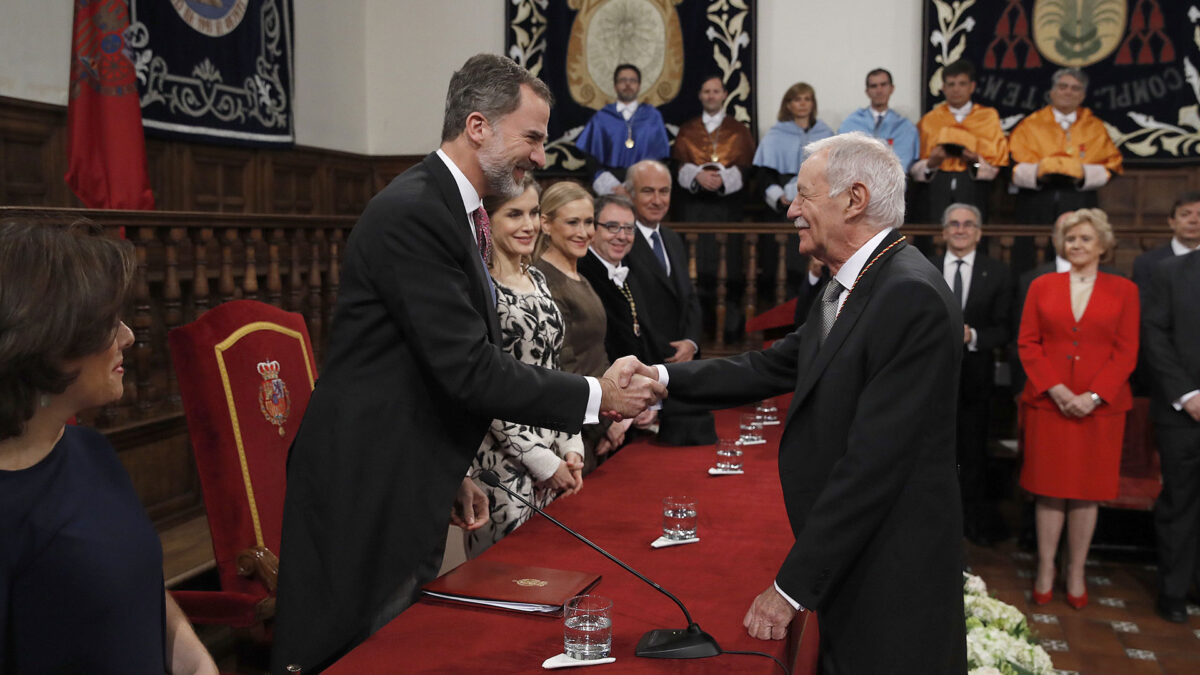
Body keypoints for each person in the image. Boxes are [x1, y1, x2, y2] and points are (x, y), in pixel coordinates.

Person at [271, 54, 664, 673]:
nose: (540, 156)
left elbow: (423, 363)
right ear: (477, 126)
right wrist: (599, 396)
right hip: (366, 480)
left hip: (408, 467)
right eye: (532, 137)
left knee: (398, 645)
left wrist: (446, 466)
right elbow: (468, 368)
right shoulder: (416, 211)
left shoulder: (452, 209)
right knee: (354, 652)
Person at [648, 132, 967, 672]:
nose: (792, 209)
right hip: (862, 563)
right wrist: (659, 380)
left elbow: (875, 466)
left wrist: (790, 590)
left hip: (892, 578)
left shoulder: (908, 295)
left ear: (854, 199)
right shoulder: (856, 282)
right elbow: (770, 365)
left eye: (804, 195)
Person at [0, 217, 217, 675]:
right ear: (46, 339)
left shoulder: (90, 451)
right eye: (105, 324)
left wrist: (196, 664)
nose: (128, 337)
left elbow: (136, 591)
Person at [1018, 208, 1139, 610]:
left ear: (1102, 245)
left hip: (1099, 410)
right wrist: (1057, 390)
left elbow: (1126, 352)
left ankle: (1076, 570)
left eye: (1086, 239)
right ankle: (1046, 568)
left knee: (1087, 493)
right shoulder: (1042, 285)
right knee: (1049, 491)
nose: (1077, 245)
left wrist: (1092, 396)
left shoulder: (1125, 290)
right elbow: (1028, 343)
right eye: (1071, 239)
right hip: (1048, 405)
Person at [465, 177, 585, 558]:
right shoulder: (481, 291)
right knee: (510, 576)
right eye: (514, 214)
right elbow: (487, 386)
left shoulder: (536, 278)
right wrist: (541, 461)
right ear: (487, 219)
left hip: (551, 452)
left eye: (534, 213)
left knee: (552, 569)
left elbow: (555, 368)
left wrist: (571, 444)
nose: (529, 225)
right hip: (502, 463)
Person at [533, 181, 633, 469]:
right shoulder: (544, 280)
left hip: (601, 417)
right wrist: (603, 426)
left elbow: (596, 354)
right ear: (546, 224)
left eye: (588, 222)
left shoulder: (578, 274)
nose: (584, 232)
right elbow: (564, 366)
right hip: (574, 434)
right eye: (572, 222)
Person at [932, 203, 1012, 545]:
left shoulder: (998, 273)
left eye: (967, 224)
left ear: (978, 232)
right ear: (944, 231)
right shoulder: (926, 268)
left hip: (975, 380)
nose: (960, 229)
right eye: (954, 224)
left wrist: (973, 336)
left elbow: (1005, 329)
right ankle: (930, 522)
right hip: (930, 379)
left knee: (972, 453)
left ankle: (968, 526)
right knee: (932, 453)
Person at [624, 159, 716, 446]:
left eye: (664, 192)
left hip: (680, 369)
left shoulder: (672, 238)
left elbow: (689, 298)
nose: (657, 200)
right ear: (630, 195)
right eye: (648, 191)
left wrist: (691, 342)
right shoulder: (622, 240)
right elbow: (634, 309)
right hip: (645, 366)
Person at [1143, 249, 1200, 622]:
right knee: (1180, 504)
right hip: (1184, 411)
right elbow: (1154, 333)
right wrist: (1188, 394)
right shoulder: (1170, 272)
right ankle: (1175, 591)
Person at [1009, 68, 1123, 225]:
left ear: (1082, 96)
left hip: (1079, 201)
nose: (1068, 92)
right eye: (1063, 87)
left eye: (1075, 88)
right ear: (1052, 92)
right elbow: (1011, 164)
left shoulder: (1094, 127)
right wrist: (1042, 171)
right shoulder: (1030, 125)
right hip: (1037, 202)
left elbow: (1112, 165)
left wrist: (1079, 172)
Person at [912, 59, 1008, 222]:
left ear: (972, 86)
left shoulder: (988, 117)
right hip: (938, 185)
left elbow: (995, 164)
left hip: (974, 184)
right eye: (951, 84)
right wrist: (932, 163)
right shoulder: (930, 120)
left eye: (962, 84)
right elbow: (916, 167)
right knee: (934, 233)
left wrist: (975, 160)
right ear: (943, 88)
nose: (956, 89)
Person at [578, 194, 654, 366]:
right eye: (612, 227)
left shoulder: (633, 271)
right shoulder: (581, 273)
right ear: (593, 228)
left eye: (629, 228)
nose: (622, 236)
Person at [671, 75, 757, 223]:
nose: (711, 96)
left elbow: (746, 168)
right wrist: (697, 175)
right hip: (694, 206)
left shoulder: (739, 130)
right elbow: (678, 165)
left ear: (724, 95)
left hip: (728, 207)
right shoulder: (687, 130)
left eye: (716, 92)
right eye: (707, 92)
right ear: (700, 95)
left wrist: (723, 179)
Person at [575, 64, 670, 196]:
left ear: (639, 85)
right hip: (610, 187)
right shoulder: (602, 117)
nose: (628, 84)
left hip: (644, 186)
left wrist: (636, 185)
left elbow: (660, 156)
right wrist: (612, 186)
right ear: (615, 86)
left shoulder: (653, 116)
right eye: (622, 80)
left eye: (632, 80)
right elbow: (592, 158)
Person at [753, 82, 834, 216]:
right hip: (784, 202)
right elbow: (764, 174)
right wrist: (778, 196)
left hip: (818, 198)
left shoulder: (826, 134)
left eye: (807, 99)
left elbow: (833, 170)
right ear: (788, 105)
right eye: (797, 100)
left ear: (813, 104)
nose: (803, 104)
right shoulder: (775, 135)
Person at [837, 68, 919, 171]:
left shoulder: (905, 127)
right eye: (873, 86)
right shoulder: (850, 124)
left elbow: (904, 164)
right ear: (867, 92)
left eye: (883, 85)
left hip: (893, 183)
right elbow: (843, 161)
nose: (879, 91)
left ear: (892, 88)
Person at [1132, 190, 1200, 296]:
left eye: (1199, 215)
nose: (1193, 220)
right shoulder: (1147, 263)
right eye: (1185, 214)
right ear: (1172, 222)